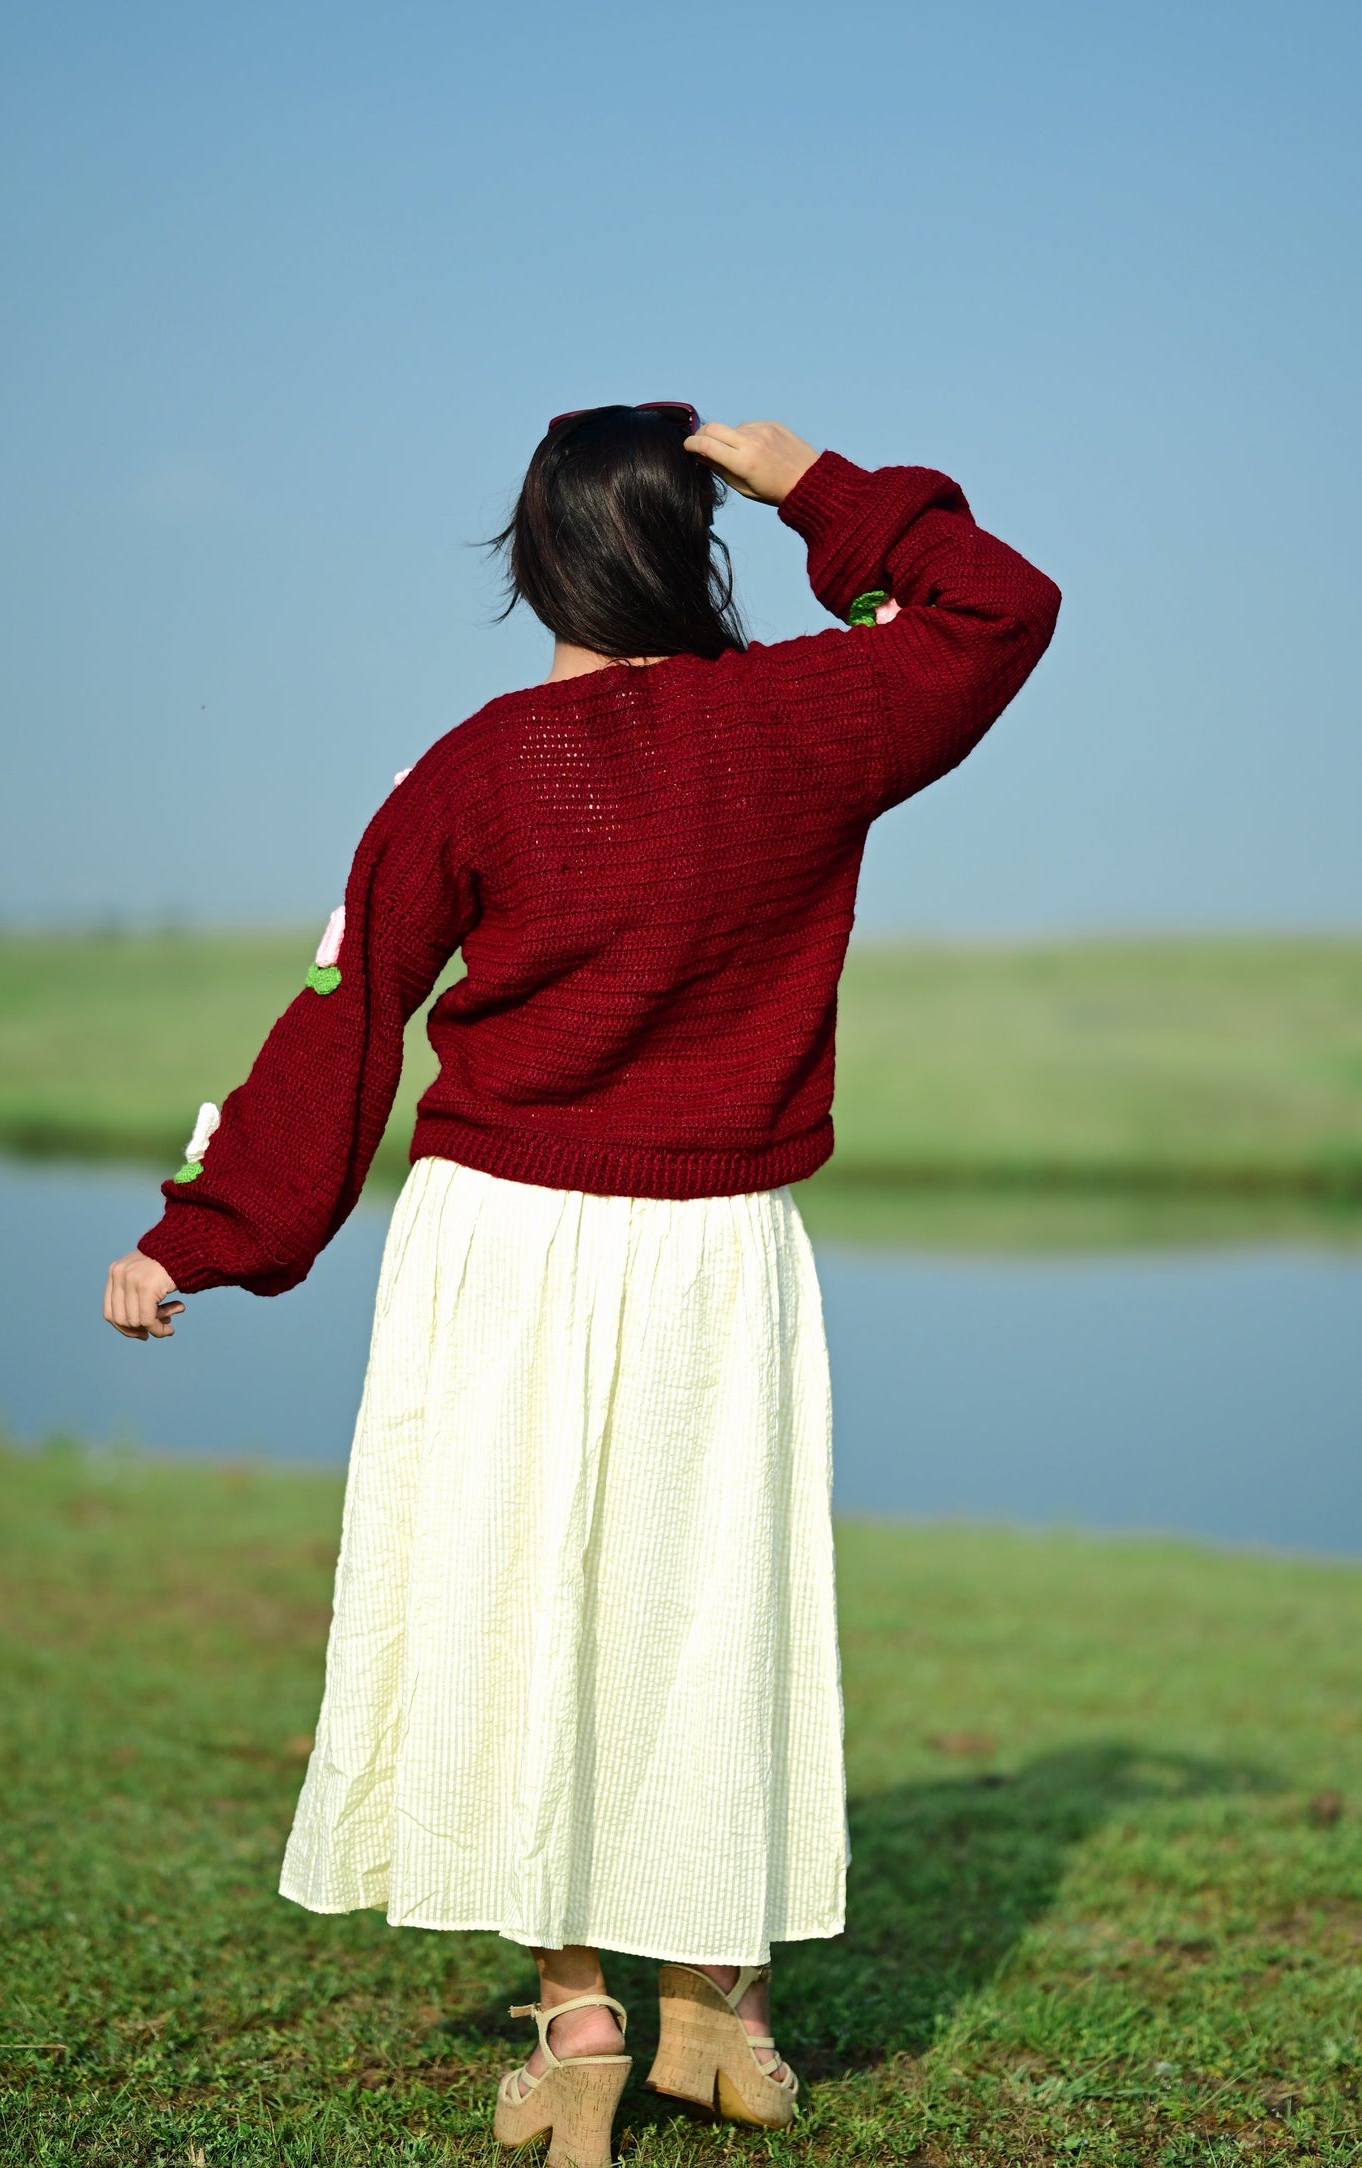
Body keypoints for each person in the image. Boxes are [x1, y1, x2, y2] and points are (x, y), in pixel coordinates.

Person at [103, 408, 1060, 2167]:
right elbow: (995, 607)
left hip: (501, 1245)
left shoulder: (472, 768)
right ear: (693, 547)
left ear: (529, 556)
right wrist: (812, 487)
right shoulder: (808, 720)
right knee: (709, 1612)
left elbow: (349, 1012)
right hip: (718, 1253)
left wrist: (204, 1226)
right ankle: (721, 2011)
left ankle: (581, 2024)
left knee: (512, 1608)